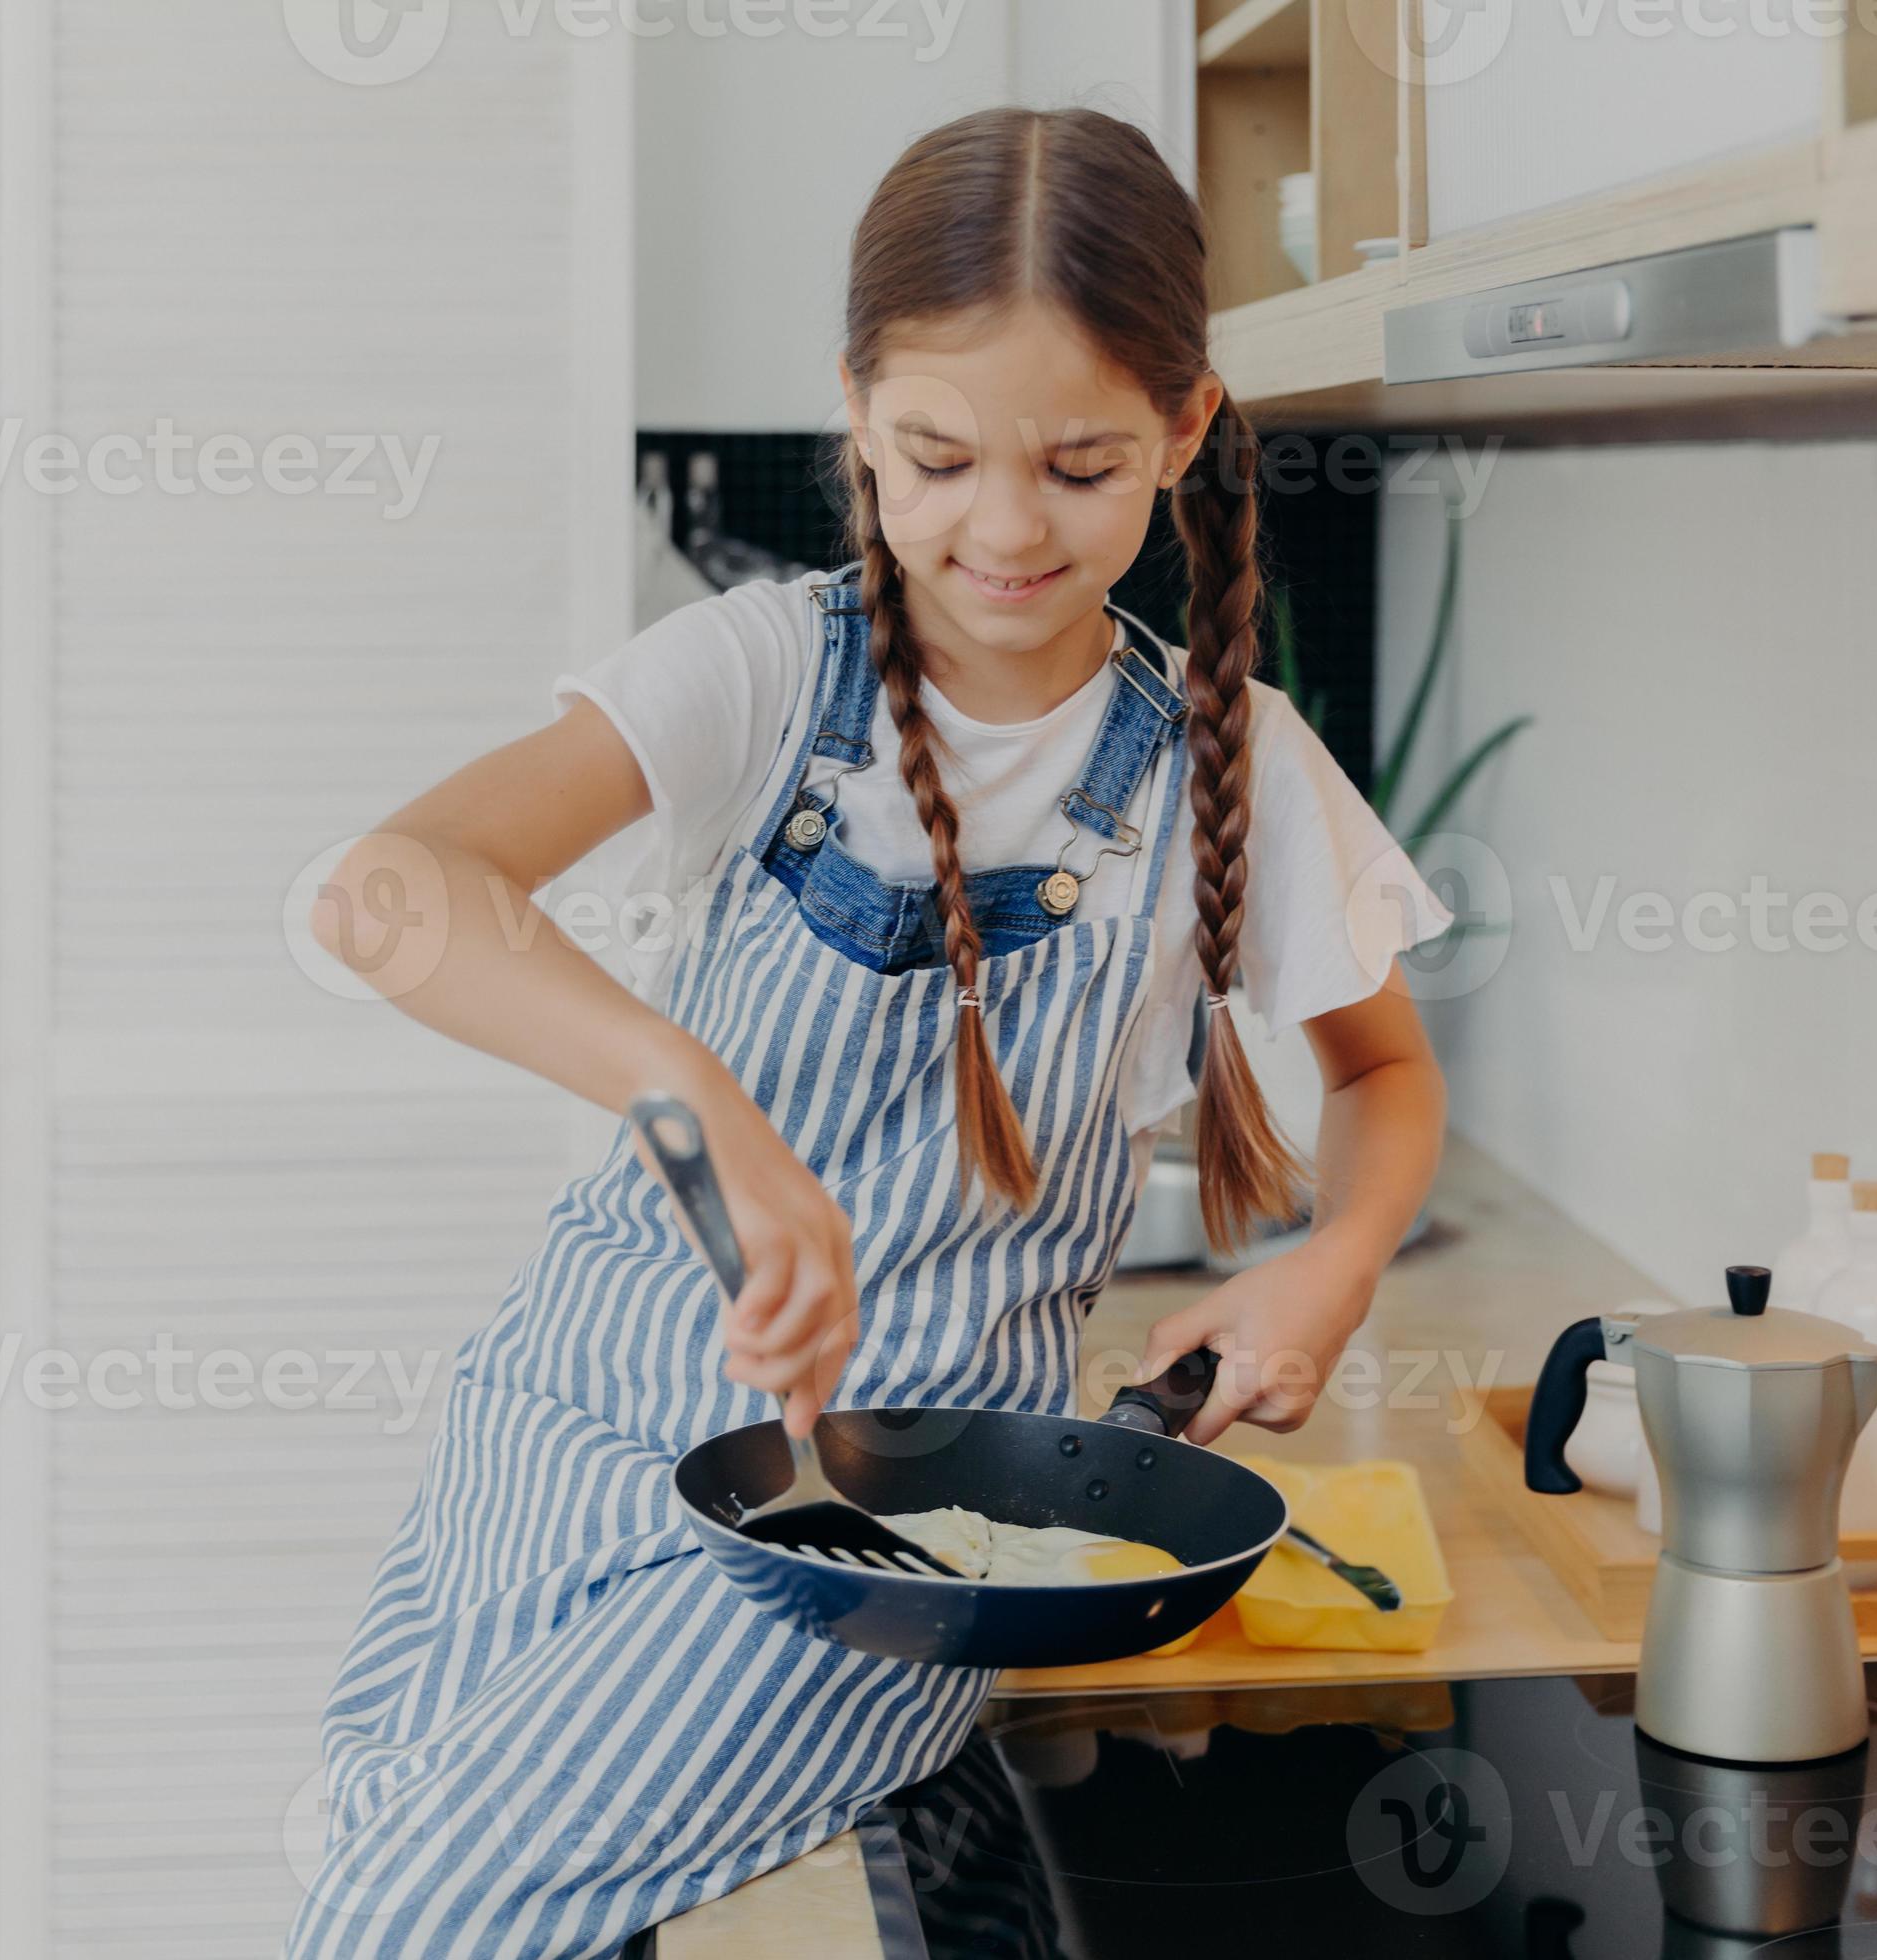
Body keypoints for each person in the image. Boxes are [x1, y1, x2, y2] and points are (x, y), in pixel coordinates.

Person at [285, 104, 1452, 1960]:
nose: (1001, 528)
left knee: (412, 1921)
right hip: (566, 1430)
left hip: (874, 1544)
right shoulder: (757, 670)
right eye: (937, 456)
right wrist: (699, 1111)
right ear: (854, 414)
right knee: (363, 1856)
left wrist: (1337, 1260)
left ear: (1184, 429)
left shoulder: (1236, 766)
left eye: (1077, 467)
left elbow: (1382, 1075)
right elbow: (390, 892)